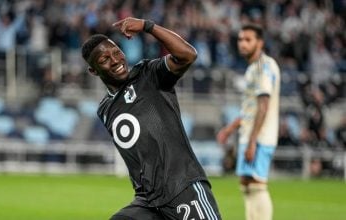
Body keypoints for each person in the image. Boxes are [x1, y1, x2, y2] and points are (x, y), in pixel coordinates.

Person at [81, 17, 222, 220]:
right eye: (104, 60)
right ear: (93, 71)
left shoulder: (148, 74)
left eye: (116, 52)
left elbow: (187, 55)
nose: (115, 61)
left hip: (182, 188)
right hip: (148, 201)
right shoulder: (105, 109)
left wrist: (148, 27)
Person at [217, 24, 280, 220]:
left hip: (261, 135)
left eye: (248, 40)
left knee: (256, 183)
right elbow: (249, 109)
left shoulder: (264, 66)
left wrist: (253, 140)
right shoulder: (253, 68)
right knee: (246, 183)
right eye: (240, 39)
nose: (242, 44)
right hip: (250, 134)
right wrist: (230, 129)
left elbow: (263, 105)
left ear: (259, 43)